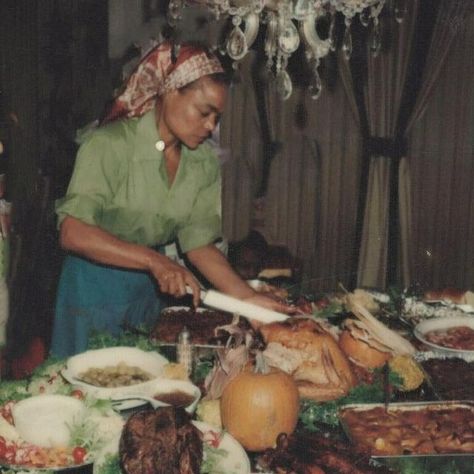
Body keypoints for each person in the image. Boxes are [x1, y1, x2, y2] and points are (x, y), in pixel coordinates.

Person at [50, 42, 292, 357]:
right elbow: (72, 232)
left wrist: (246, 299)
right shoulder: (108, 146)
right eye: (204, 113)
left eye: (217, 118)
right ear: (170, 91)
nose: (210, 127)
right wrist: (155, 261)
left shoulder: (202, 163)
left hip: (148, 293)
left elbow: (199, 245)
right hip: (92, 292)